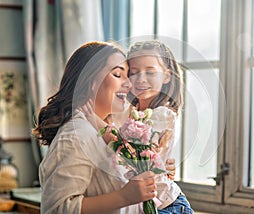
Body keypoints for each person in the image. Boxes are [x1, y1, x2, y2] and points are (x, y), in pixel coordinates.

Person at [32, 41, 159, 214]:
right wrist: (125, 197)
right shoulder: (76, 135)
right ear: (90, 80)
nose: (129, 84)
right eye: (117, 74)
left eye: (127, 75)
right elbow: (56, 209)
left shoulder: (102, 131)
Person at [126, 40, 194, 213]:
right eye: (133, 73)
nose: (141, 79)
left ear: (166, 76)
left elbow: (136, 159)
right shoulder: (131, 111)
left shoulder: (162, 114)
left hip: (166, 206)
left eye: (150, 72)